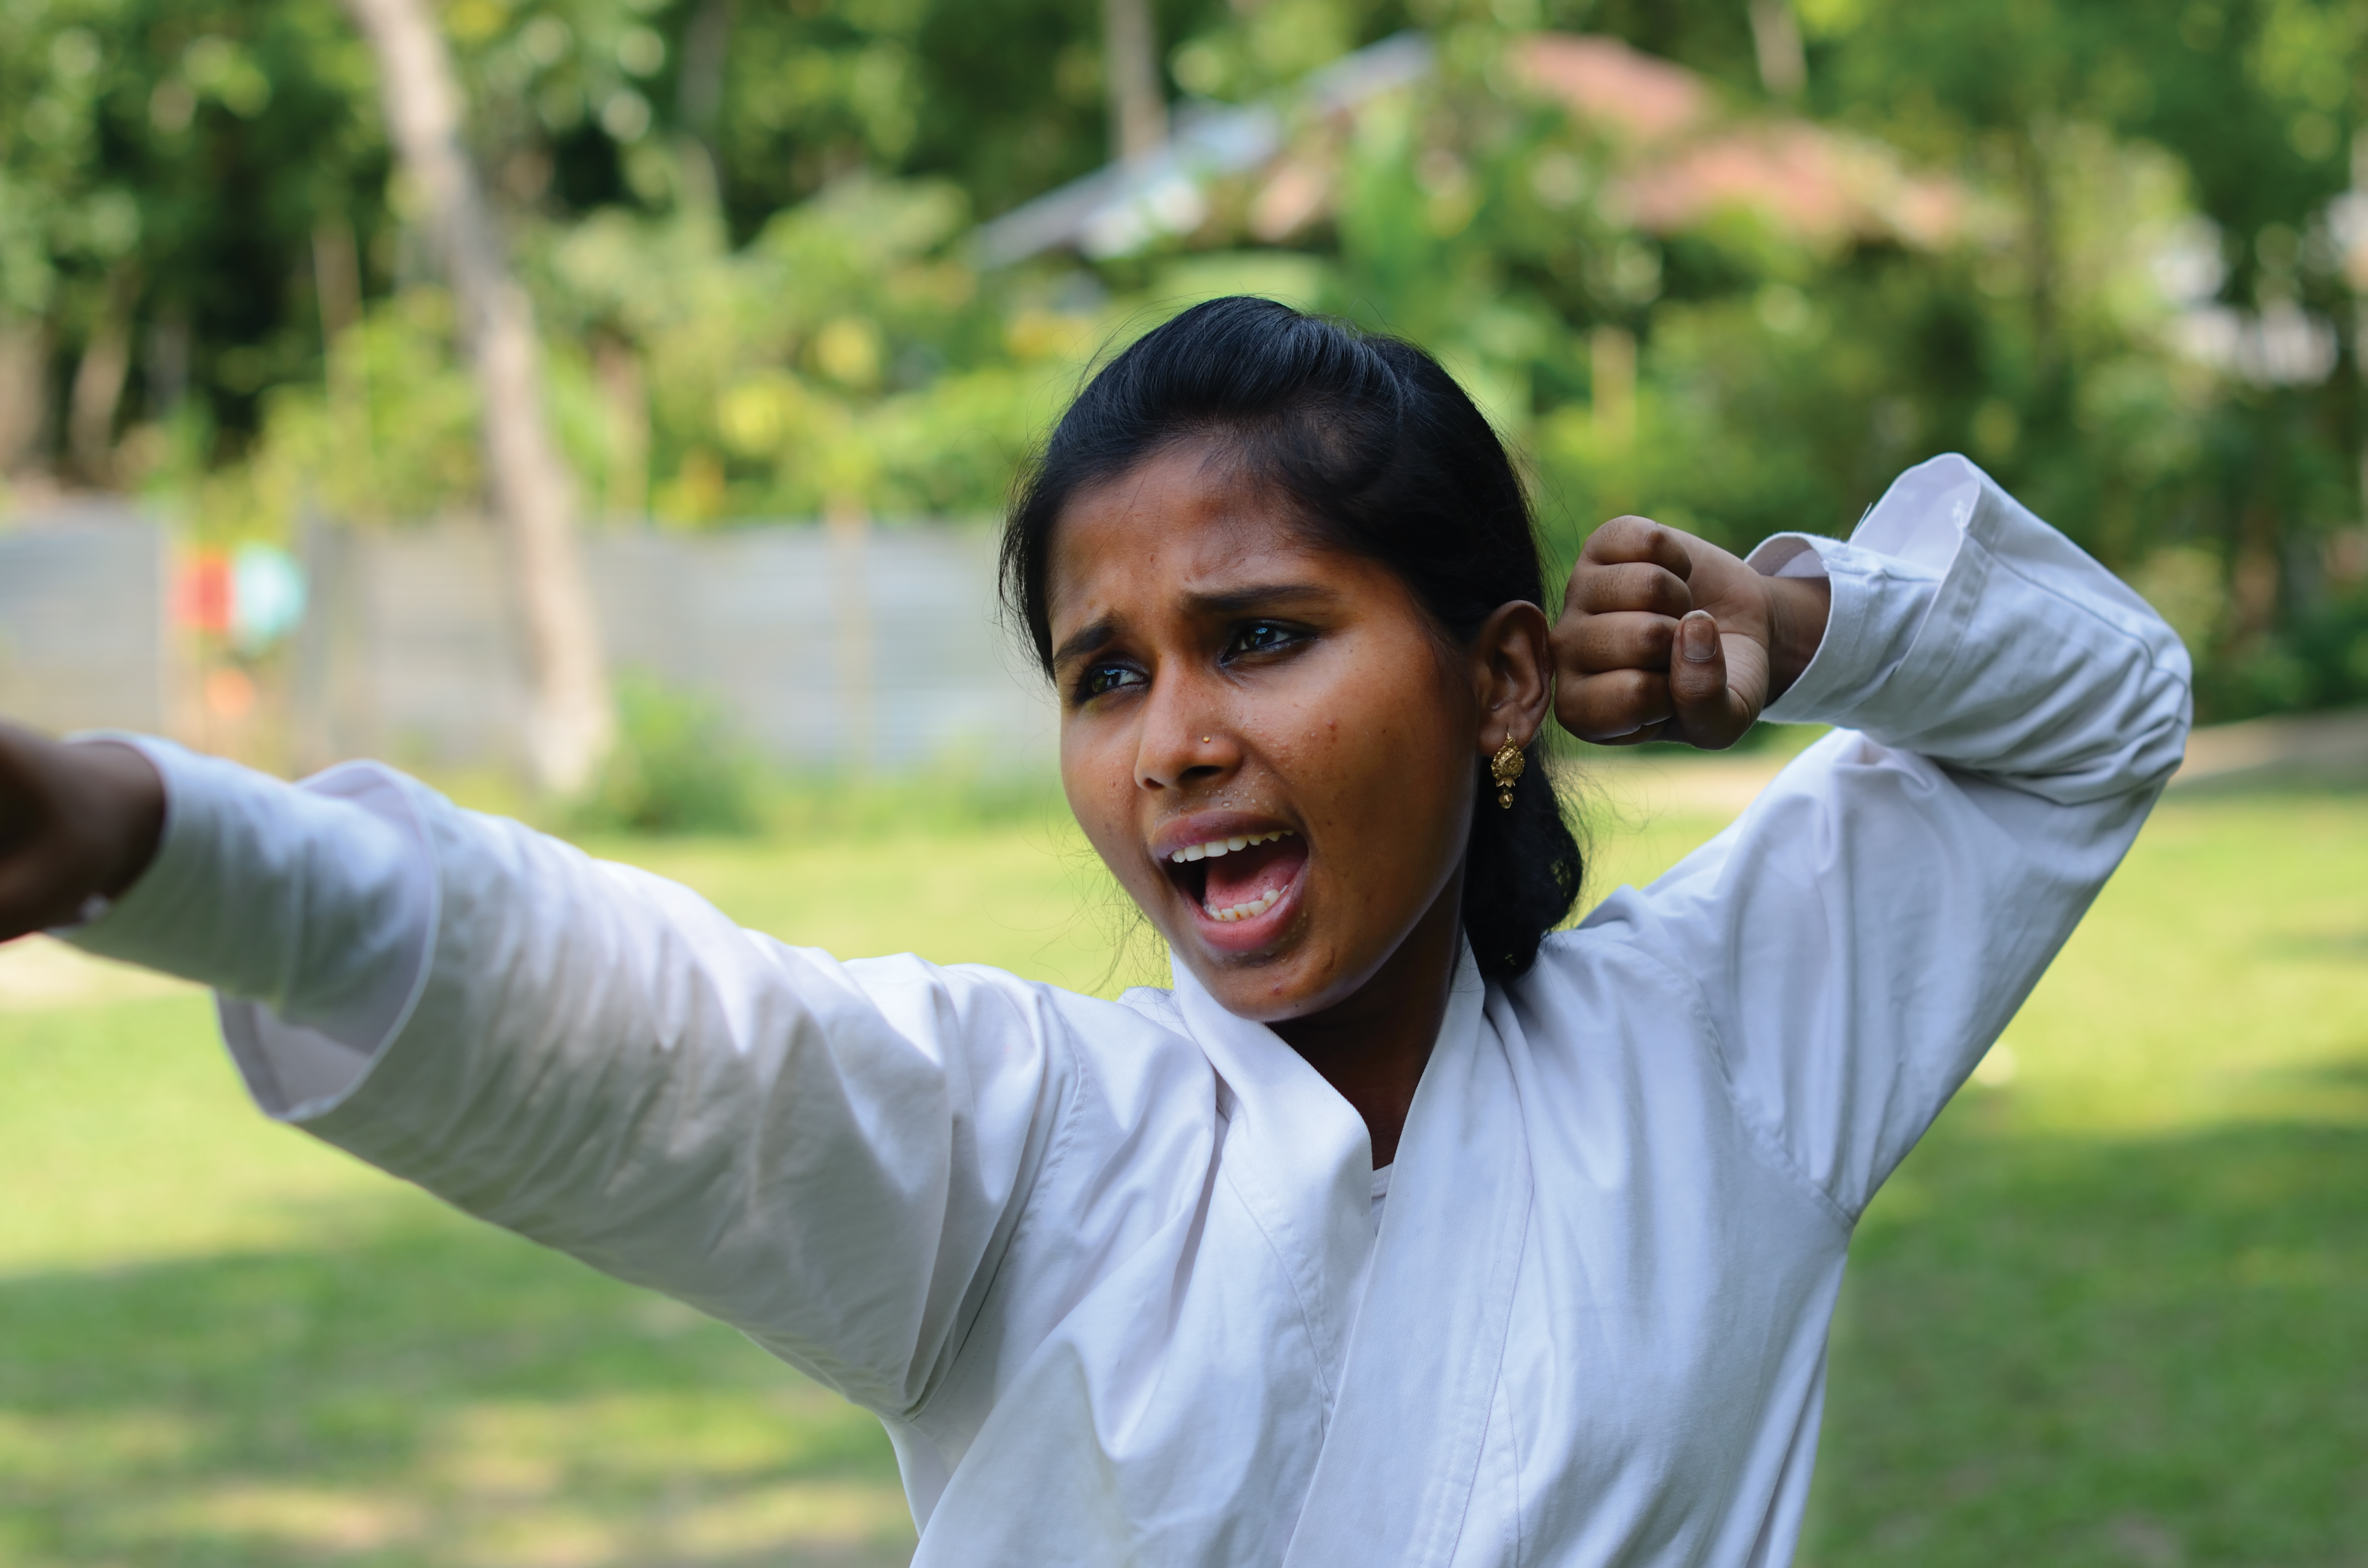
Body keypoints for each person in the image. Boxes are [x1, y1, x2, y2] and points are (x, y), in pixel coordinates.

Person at [0, 296, 2189, 1567]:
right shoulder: (1027, 1147)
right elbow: (662, 1034)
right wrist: (150, 839)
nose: (1174, 743)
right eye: (1105, 673)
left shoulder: (1726, 1050)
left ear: (1502, 681)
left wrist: (1808, 631)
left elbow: (2103, 711)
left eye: (1261, 636)